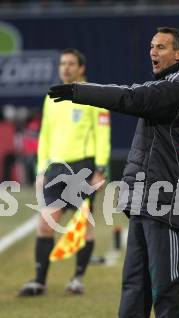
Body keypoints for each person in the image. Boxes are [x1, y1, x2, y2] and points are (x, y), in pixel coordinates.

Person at [49, 27, 179, 318]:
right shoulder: (165, 85)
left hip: (168, 194)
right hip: (145, 193)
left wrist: (80, 91)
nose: (153, 52)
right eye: (151, 46)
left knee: (165, 277)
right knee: (135, 275)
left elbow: (130, 98)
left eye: (161, 47)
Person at [18, 48, 111, 296]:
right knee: (45, 224)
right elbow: (45, 136)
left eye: (71, 64)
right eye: (62, 63)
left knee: (82, 226)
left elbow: (102, 134)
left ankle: (77, 279)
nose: (65, 68)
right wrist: (40, 170)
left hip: (84, 167)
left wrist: (100, 168)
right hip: (55, 169)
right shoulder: (52, 98)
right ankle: (39, 281)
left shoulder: (94, 95)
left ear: (81, 68)